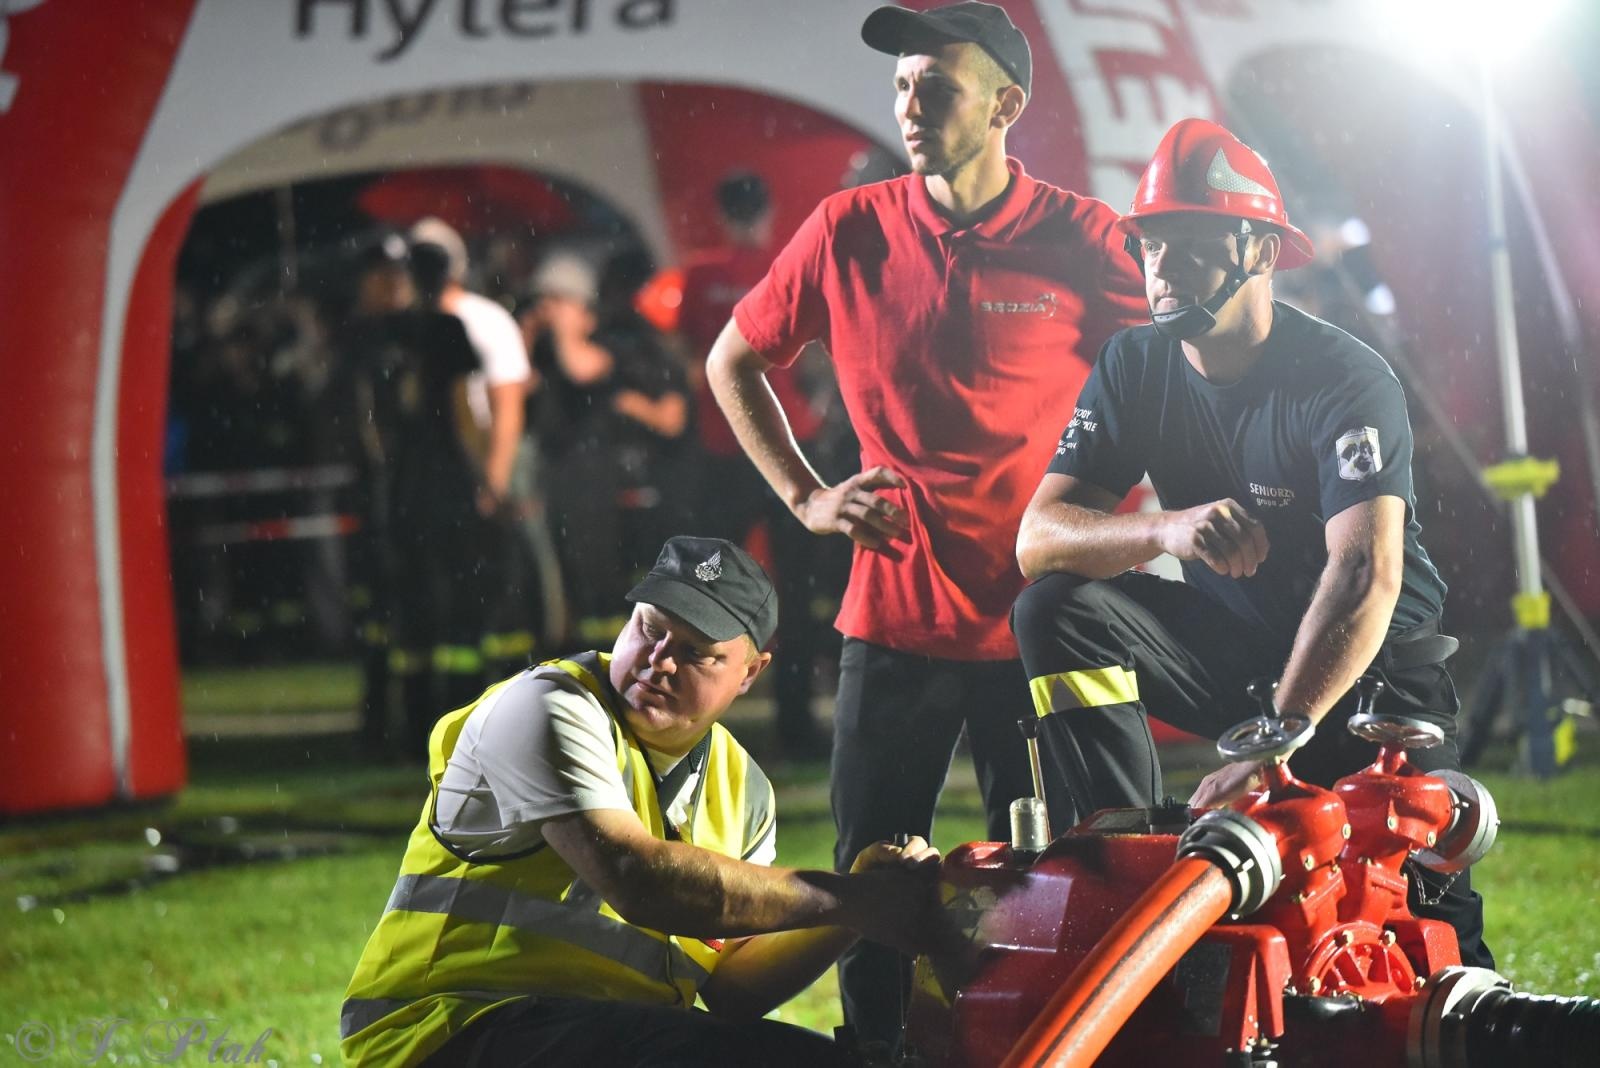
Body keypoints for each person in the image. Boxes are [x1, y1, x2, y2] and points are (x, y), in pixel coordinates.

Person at [704, 2, 1147, 1043]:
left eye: (935, 87)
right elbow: (733, 360)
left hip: (1043, 623)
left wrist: (1123, 529)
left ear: (1005, 105)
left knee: (1047, 881)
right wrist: (808, 497)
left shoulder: (1083, 236)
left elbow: (1159, 393)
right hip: (892, 618)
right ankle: (873, 1054)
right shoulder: (847, 227)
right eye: (901, 86)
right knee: (870, 884)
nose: (909, 106)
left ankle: (1032, 1047)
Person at [1009, 117, 1492, 967]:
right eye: (1150, 244)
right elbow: (1038, 540)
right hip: (1242, 659)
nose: (1162, 267)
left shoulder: (1345, 376)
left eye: (1188, 244)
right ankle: (1124, 862)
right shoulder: (1134, 366)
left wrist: (1273, 742)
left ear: (1261, 252)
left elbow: (1363, 576)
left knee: (1425, 944)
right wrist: (1165, 528)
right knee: (1055, 605)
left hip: (1374, 676)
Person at [341, 536, 942, 1067]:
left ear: (752, 671)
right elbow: (636, 877)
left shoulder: (742, 783)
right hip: (450, 1028)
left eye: (698, 651)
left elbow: (734, 990)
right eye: (651, 629)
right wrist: (852, 898)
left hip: (594, 1036)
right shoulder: (548, 706)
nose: (660, 661)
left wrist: (853, 910)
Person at [681, 171, 833, 758]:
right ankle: (798, 726)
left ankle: (691, 718)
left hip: (724, 451)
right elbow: (820, 355)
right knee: (797, 590)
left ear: (721, 213)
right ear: (768, 209)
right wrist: (816, 410)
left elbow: (695, 361)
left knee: (707, 590)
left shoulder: (701, 275)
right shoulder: (786, 264)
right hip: (793, 447)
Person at [409, 217, 538, 683]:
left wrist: (494, 476)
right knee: (474, 585)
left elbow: (503, 405)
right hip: (455, 470)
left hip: (469, 466)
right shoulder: (446, 322)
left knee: (496, 582)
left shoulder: (476, 320)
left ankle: (494, 685)